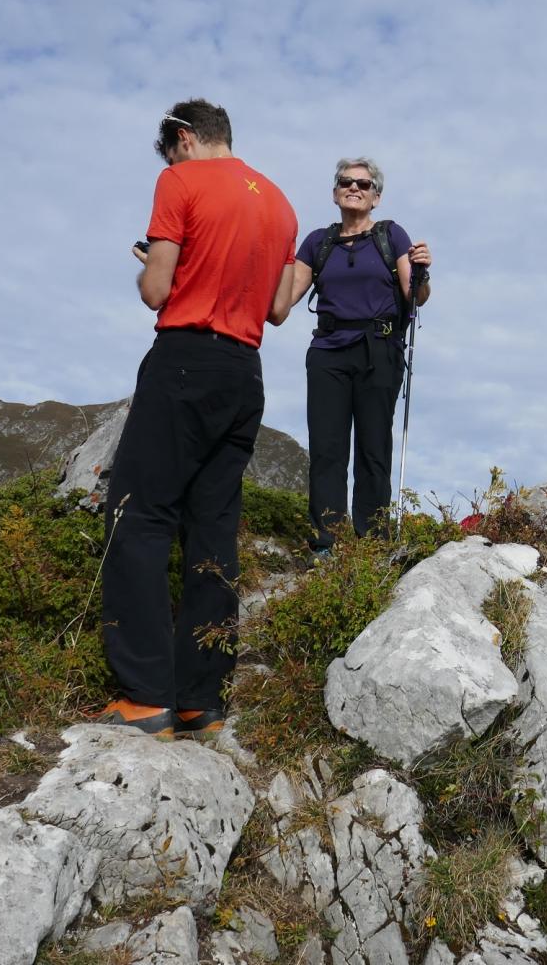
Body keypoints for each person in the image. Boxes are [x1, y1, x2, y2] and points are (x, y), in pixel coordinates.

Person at [97, 99, 298, 738]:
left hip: (185, 357)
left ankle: (144, 697)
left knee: (139, 513)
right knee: (213, 529)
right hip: (245, 373)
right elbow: (275, 309)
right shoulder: (280, 202)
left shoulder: (178, 181)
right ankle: (200, 701)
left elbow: (158, 290)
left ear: (183, 138)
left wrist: (158, 265)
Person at [279, 158, 432, 553]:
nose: (354, 188)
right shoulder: (318, 242)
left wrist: (422, 272)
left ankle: (371, 544)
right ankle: (326, 545)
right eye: (346, 182)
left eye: (363, 184)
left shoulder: (391, 235)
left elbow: (414, 297)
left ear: (376, 197)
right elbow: (279, 304)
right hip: (328, 352)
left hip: (378, 349)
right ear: (335, 192)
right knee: (327, 450)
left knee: (372, 447)